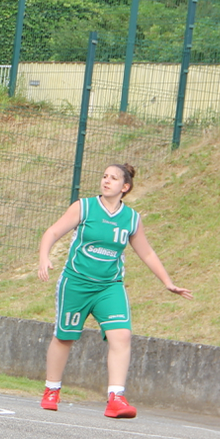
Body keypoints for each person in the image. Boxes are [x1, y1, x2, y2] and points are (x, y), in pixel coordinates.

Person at [36, 164, 193, 418]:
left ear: (125, 187)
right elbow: (52, 232)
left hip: (109, 286)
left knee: (122, 336)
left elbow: (147, 252)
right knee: (64, 337)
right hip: (76, 282)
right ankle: (52, 389)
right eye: (104, 176)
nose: (106, 181)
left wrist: (168, 282)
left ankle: (116, 398)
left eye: (113, 178)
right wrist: (44, 258)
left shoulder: (131, 218)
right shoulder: (84, 207)